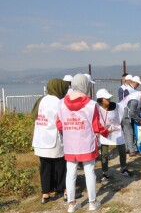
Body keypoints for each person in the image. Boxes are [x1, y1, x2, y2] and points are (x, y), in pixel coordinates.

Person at [56, 74, 106, 212]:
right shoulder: (91, 104)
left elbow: (59, 124)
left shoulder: (60, 103)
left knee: (71, 172)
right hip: (86, 142)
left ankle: (71, 204)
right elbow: (97, 126)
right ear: (85, 85)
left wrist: (69, 130)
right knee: (90, 171)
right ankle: (92, 202)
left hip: (70, 143)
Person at [32, 78, 70, 204]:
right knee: (61, 165)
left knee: (45, 167)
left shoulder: (41, 100)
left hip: (40, 139)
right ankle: (63, 189)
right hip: (54, 139)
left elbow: (34, 116)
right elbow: (62, 121)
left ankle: (46, 193)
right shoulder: (59, 102)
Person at [96, 89, 132, 181]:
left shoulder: (115, 106)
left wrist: (118, 124)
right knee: (104, 153)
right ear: (100, 99)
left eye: (109, 98)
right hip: (104, 132)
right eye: (106, 98)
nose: (109, 99)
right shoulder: (96, 108)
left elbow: (122, 111)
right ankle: (105, 173)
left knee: (122, 150)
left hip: (116, 131)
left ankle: (123, 168)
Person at [124, 88, 141, 156]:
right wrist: (139, 119)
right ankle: (132, 151)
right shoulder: (134, 100)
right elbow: (131, 113)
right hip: (124, 113)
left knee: (127, 132)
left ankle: (127, 149)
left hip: (130, 112)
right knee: (129, 132)